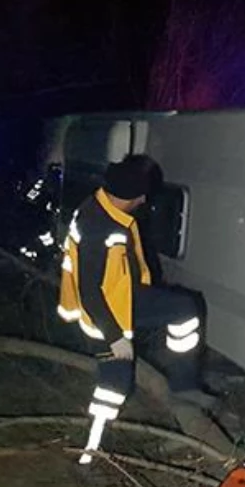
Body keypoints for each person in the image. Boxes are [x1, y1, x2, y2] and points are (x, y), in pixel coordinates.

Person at [58, 154, 210, 465]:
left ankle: (184, 386)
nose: (144, 200)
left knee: (184, 309)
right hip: (103, 318)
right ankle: (89, 452)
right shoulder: (99, 228)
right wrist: (115, 338)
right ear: (138, 195)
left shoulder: (104, 207)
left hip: (126, 297)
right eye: (144, 195)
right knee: (114, 388)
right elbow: (90, 292)